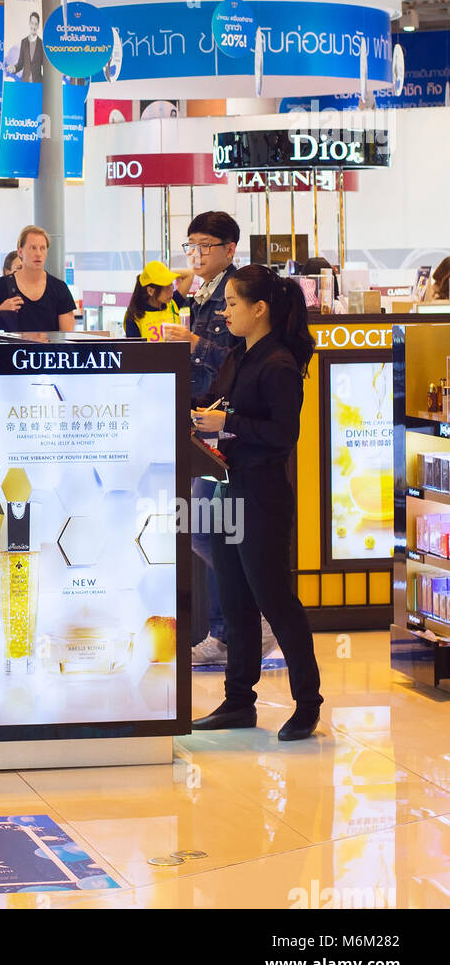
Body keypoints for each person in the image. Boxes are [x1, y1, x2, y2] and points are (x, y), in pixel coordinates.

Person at [190, 266, 323, 741]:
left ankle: (308, 702)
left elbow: (283, 435)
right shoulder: (240, 355)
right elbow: (219, 404)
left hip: (261, 496)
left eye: (231, 304)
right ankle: (238, 701)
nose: (224, 312)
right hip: (227, 486)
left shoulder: (280, 364)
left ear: (258, 308)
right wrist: (203, 417)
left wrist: (228, 423)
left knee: (274, 601)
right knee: (235, 599)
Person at [160, 211, 274, 667]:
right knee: (208, 530)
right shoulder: (198, 294)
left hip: (229, 426)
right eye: (191, 246)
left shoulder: (239, 291)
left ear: (229, 248)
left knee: (209, 528)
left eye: (205, 245)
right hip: (203, 420)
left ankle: (252, 620)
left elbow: (242, 357)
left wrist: (195, 346)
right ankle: (227, 633)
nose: (196, 254)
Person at [0, 225, 75, 332]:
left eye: (42, 248)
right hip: (11, 348)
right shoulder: (1, 285)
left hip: (47, 348)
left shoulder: (59, 288)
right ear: (20, 252)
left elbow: (67, 336)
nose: (38, 254)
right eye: (33, 248)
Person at [123, 261, 194, 340]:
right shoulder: (134, 317)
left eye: (171, 286)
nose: (171, 292)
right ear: (150, 291)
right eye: (166, 288)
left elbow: (190, 274)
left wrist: (165, 274)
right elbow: (134, 350)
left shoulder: (173, 303)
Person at [12, 11, 44, 83]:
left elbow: (45, 65)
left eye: (36, 24)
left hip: (38, 83)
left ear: (38, 26)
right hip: (25, 82)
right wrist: (14, 68)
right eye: (32, 23)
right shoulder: (24, 42)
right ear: (29, 23)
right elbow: (20, 64)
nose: (33, 26)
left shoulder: (41, 44)